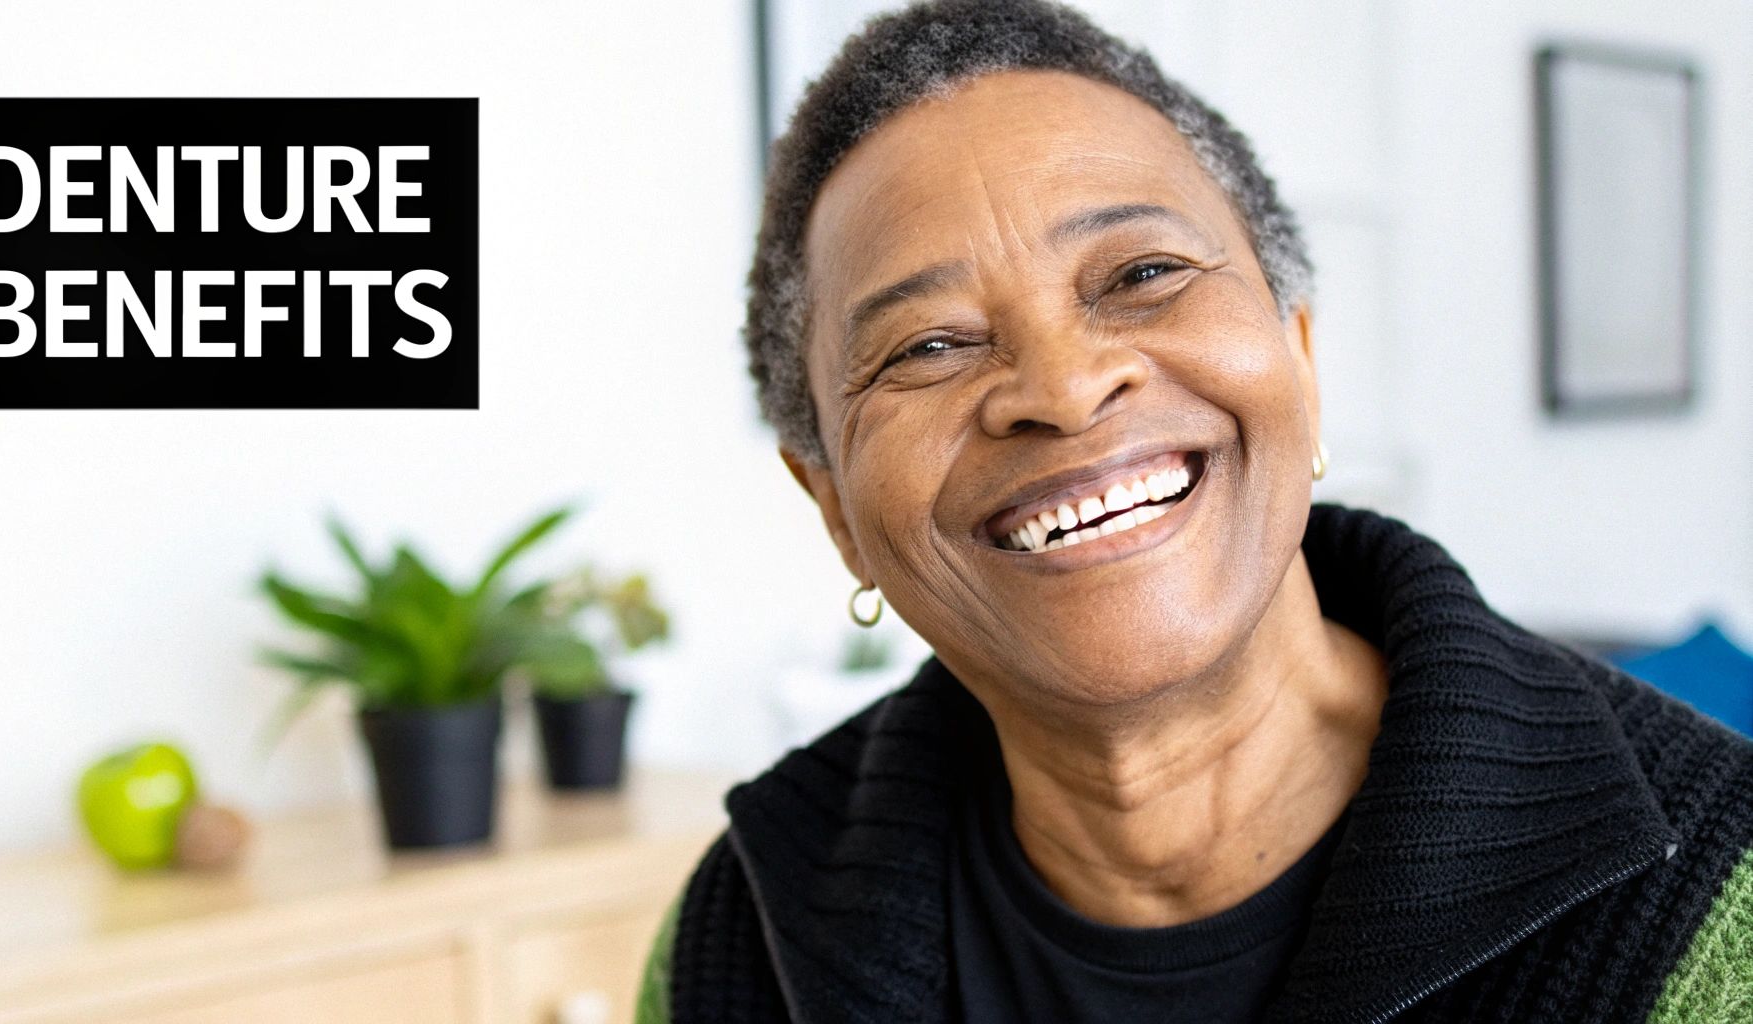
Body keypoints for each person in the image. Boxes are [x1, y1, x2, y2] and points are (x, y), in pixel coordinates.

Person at [638, 1, 1753, 1020]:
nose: (1065, 389)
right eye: (927, 345)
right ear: (831, 506)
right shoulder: (736, 938)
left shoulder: (1714, 898)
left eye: (1141, 274)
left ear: (1297, 357)